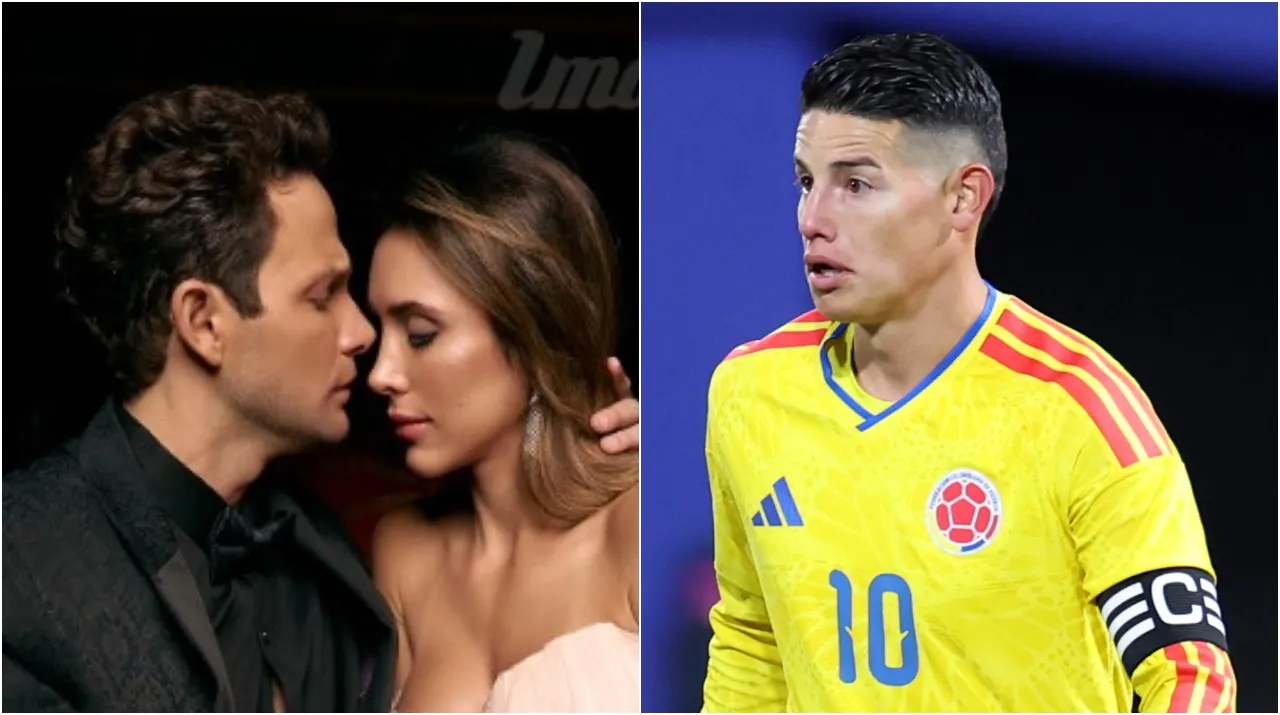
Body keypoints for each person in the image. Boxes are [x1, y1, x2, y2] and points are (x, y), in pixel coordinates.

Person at [2, 85, 639, 713]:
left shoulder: (324, 564)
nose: (369, 351)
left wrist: (706, 473)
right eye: (321, 296)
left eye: (419, 333)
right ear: (203, 322)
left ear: (535, 337)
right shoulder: (25, 558)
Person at [701, 33, 1235, 713]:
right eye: (807, 181)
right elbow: (753, 641)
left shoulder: (1078, 408)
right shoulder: (751, 391)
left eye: (857, 184)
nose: (813, 219)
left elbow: (1190, 677)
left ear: (963, 198)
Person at [365, 135, 639, 713]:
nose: (382, 373)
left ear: (533, 332)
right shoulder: (406, 555)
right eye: (380, 331)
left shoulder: (636, 528)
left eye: (419, 335)